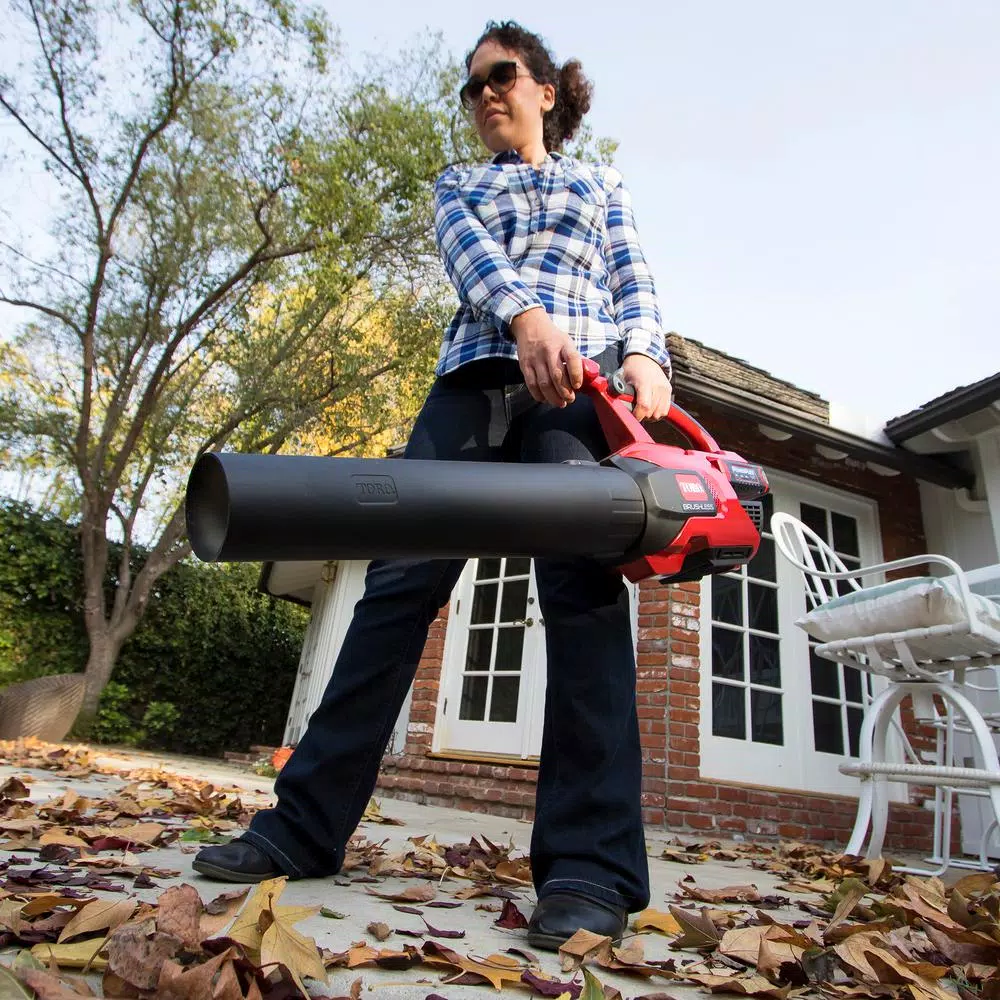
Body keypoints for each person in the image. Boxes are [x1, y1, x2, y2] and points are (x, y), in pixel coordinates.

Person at [194, 20, 673, 950]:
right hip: (469, 386)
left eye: (503, 75)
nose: (485, 93)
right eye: (472, 84)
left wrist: (647, 354)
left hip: (580, 396)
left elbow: (633, 277)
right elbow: (470, 258)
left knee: (583, 597)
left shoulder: (598, 182)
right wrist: (527, 317)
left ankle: (589, 867)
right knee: (396, 588)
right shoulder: (459, 183)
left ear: (545, 91)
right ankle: (302, 827)